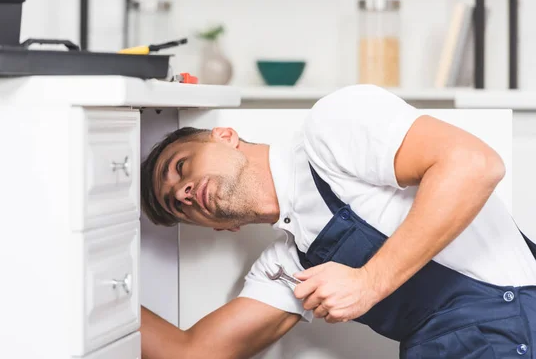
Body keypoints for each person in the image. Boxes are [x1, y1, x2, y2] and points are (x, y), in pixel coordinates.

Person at [139, 84, 536, 359]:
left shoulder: (330, 130)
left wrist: (367, 282)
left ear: (225, 136)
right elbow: (192, 352)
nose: (182, 192)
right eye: (178, 207)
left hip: (510, 330)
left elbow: (474, 164)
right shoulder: (291, 265)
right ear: (223, 228)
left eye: (180, 167)